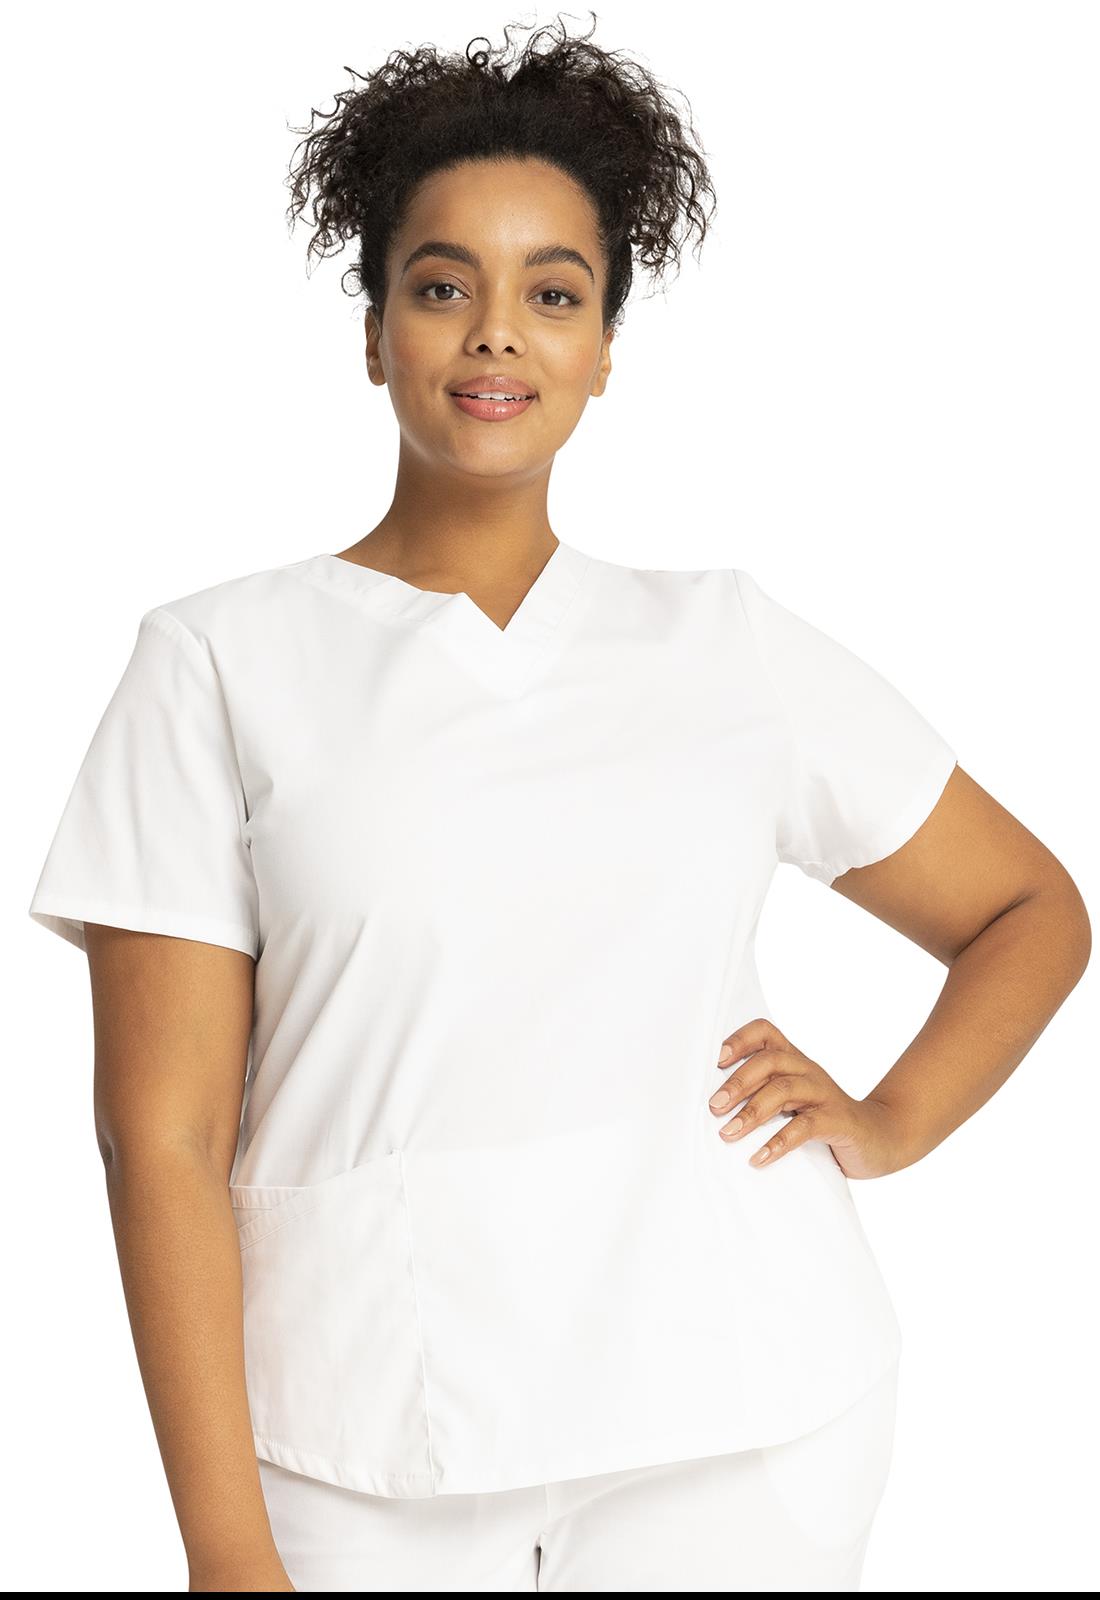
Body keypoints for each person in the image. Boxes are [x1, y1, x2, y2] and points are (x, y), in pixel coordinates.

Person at [27, 13, 1090, 1595]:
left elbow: (1028, 909)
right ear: (374, 332)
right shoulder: (217, 663)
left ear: (604, 354)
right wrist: (224, 1548)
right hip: (353, 1443)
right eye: (442, 286)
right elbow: (159, 1138)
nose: (496, 337)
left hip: (744, 1422)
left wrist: (889, 1120)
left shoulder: (723, 642)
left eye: (554, 293)